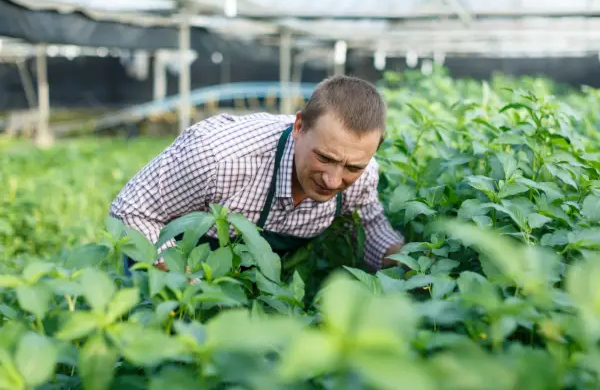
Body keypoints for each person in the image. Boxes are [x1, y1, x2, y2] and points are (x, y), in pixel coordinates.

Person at [109, 75, 404, 272]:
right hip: (174, 261)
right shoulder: (218, 155)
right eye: (324, 158)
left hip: (256, 280)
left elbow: (369, 227)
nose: (333, 180)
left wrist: (411, 265)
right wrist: (185, 286)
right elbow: (132, 212)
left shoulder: (363, 176)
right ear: (299, 127)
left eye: (352, 167)